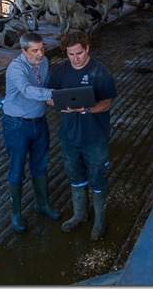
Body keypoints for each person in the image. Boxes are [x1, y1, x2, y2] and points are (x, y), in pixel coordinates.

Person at [48, 30, 117, 241]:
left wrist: (87, 109)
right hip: (69, 136)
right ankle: (80, 214)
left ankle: (100, 220)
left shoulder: (100, 72)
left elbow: (107, 103)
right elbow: (48, 97)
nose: (75, 59)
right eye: (71, 55)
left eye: (79, 53)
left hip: (94, 137)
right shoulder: (61, 71)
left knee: (97, 178)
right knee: (75, 177)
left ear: (87, 48)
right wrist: (60, 104)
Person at [2, 32, 62, 233]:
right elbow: (28, 90)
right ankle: (16, 214)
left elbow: (44, 85)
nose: (40, 54)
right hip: (17, 124)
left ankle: (42, 205)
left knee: (41, 164)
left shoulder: (44, 62)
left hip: (39, 121)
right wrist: (58, 96)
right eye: (35, 50)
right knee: (17, 169)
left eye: (42, 48)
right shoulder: (15, 68)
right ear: (23, 51)